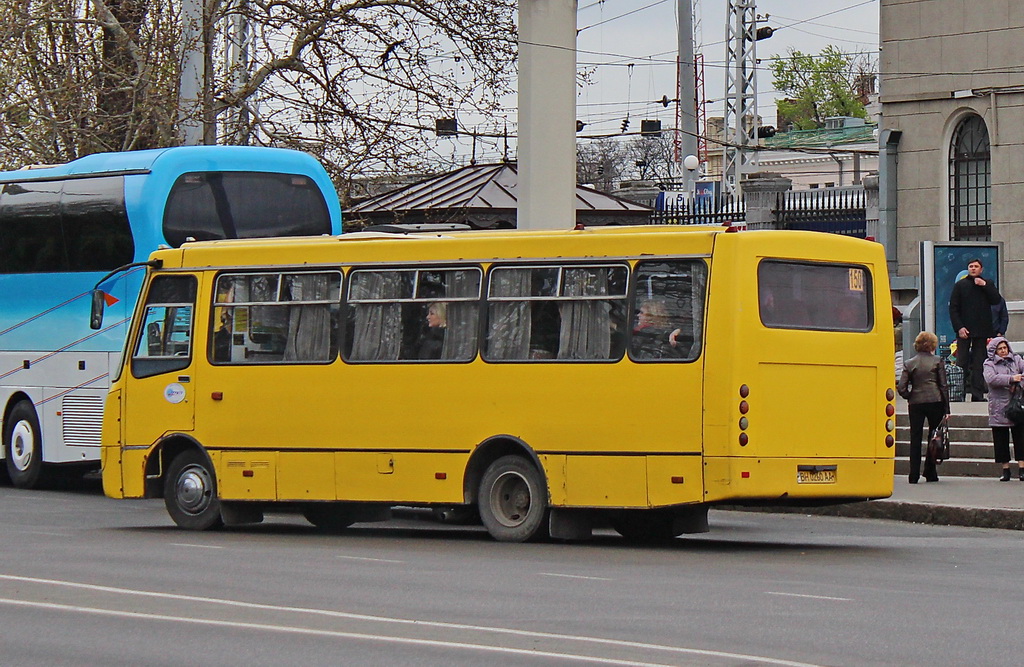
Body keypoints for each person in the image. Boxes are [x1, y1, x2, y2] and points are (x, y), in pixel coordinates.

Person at [897, 331, 950, 483]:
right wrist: (947, 409)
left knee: (915, 438)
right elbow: (943, 386)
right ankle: (930, 471)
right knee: (933, 437)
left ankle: (913, 474)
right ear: (933, 345)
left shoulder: (909, 363)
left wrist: (910, 396)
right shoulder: (937, 361)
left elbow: (901, 387)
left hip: (916, 403)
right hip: (935, 401)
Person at [948, 258, 1001, 401]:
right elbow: (953, 308)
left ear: (981, 269)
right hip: (964, 329)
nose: (973, 269)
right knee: (962, 362)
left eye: (976, 266)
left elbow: (996, 300)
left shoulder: (987, 283)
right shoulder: (960, 285)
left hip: (982, 329)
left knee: (979, 363)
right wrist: (959, 327)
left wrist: (984, 285)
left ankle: (977, 395)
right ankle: (959, 393)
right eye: (970, 266)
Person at [981, 337, 1024, 481]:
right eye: (1000, 349)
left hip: (1017, 405)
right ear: (994, 351)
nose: (1004, 351)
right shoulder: (989, 363)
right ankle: (1005, 470)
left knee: (1020, 438)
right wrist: (1011, 379)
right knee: (1001, 439)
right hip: (999, 407)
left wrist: (1019, 383)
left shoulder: (1017, 360)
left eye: (1005, 348)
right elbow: (991, 379)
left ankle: (1022, 468)